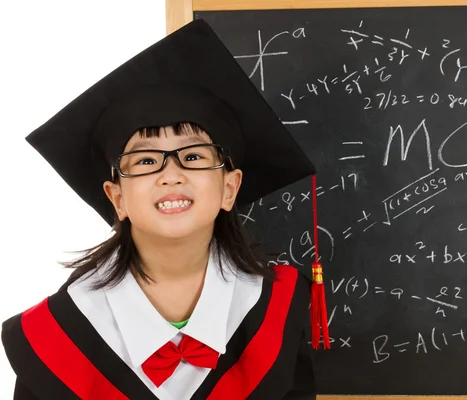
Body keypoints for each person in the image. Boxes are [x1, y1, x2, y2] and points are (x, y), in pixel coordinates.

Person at [1, 18, 329, 400]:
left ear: (229, 188)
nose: (170, 175)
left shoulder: (278, 306)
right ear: (117, 198)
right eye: (144, 161)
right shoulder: (53, 336)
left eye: (192, 155)